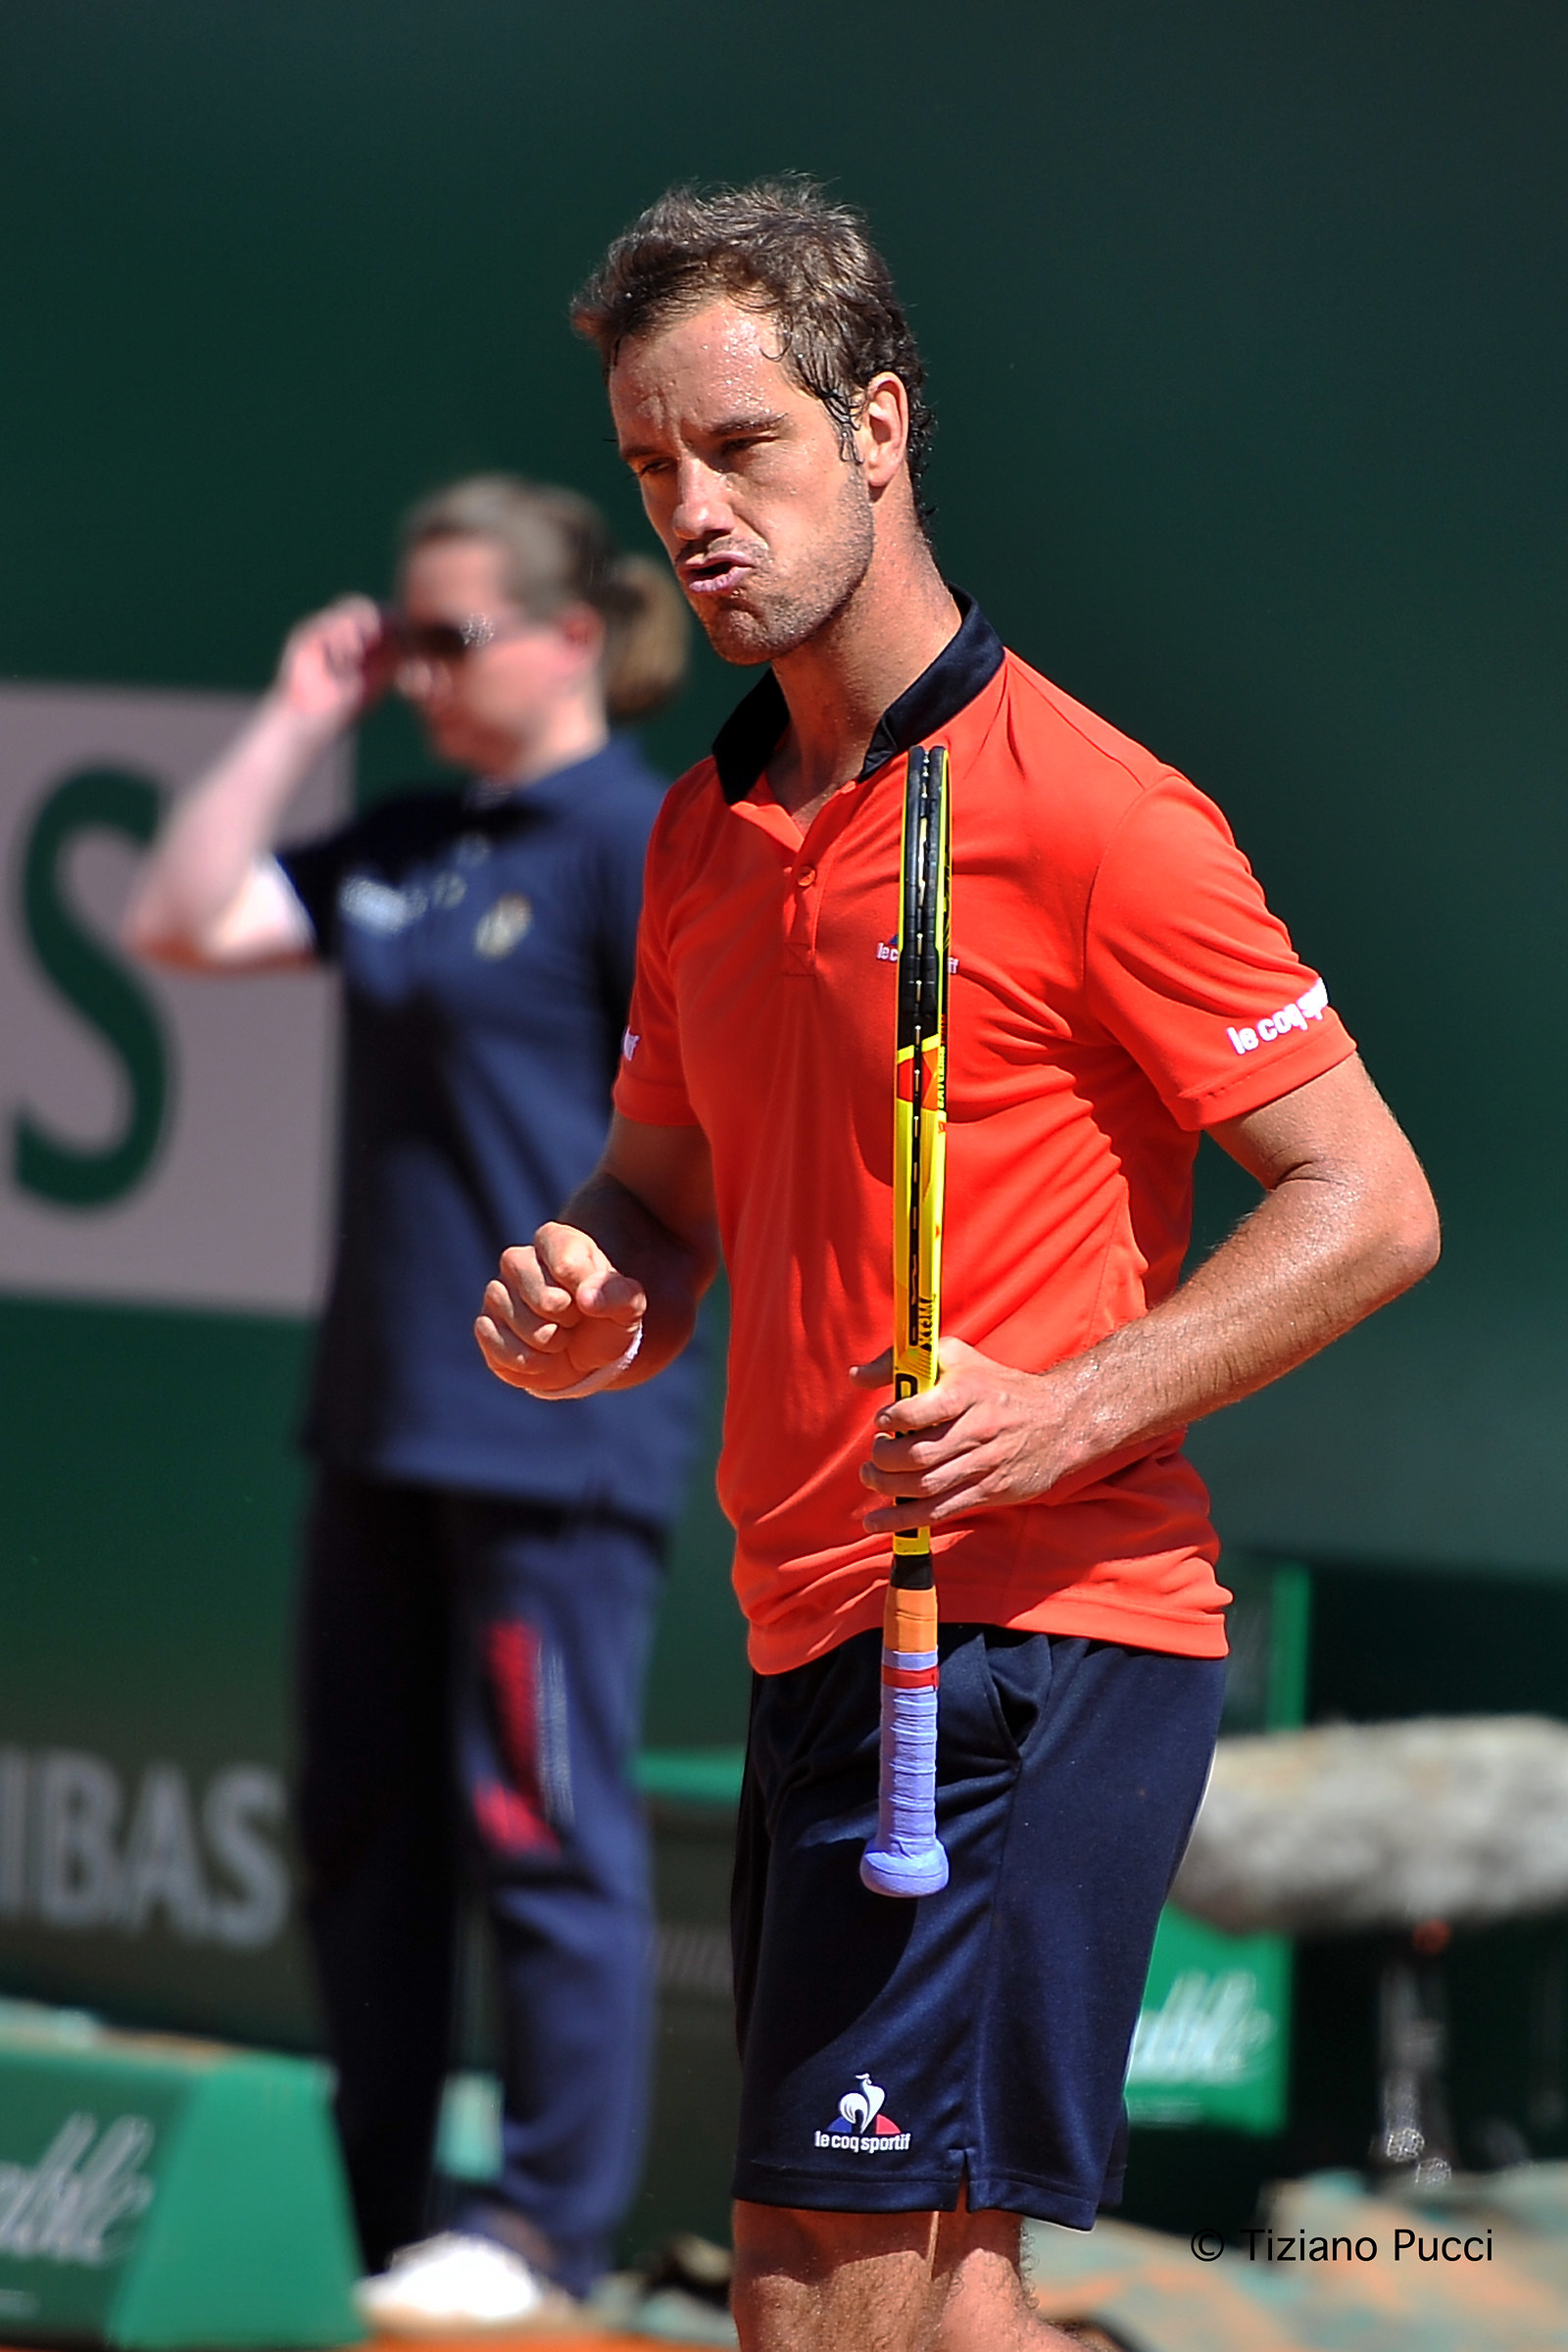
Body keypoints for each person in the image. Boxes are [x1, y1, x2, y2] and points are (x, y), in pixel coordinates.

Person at [473, 184, 1441, 2352]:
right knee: (861, 2306)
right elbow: (663, 1199)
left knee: (855, 2310)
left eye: (741, 451)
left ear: (878, 425)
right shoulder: (699, 829)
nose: (693, 515)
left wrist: (1070, 1399)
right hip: (821, 1628)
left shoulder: (1095, 809)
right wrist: (595, 1298)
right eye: (652, 471)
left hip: (1032, 1636)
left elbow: (1365, 1200)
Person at [123, 475, 705, 2329]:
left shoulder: (641, 844)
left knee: (540, 1824)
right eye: (399, 641)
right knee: (366, 1830)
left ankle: (547, 2229)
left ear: (566, 640)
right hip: (374, 1424)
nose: (414, 674)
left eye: (446, 640)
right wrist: (303, 709)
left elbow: (705, 1160)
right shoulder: (401, 833)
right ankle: (386, 2215)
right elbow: (182, 916)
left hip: (557, 1439)